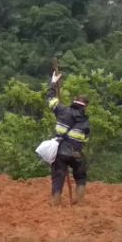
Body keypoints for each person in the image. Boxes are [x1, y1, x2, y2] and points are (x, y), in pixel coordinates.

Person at [48, 69, 91, 205]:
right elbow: (85, 140)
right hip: (76, 153)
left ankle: (55, 203)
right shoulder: (86, 123)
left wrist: (53, 83)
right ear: (85, 107)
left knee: (58, 177)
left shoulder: (62, 110)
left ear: (74, 102)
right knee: (81, 176)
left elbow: (50, 100)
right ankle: (80, 202)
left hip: (60, 152)